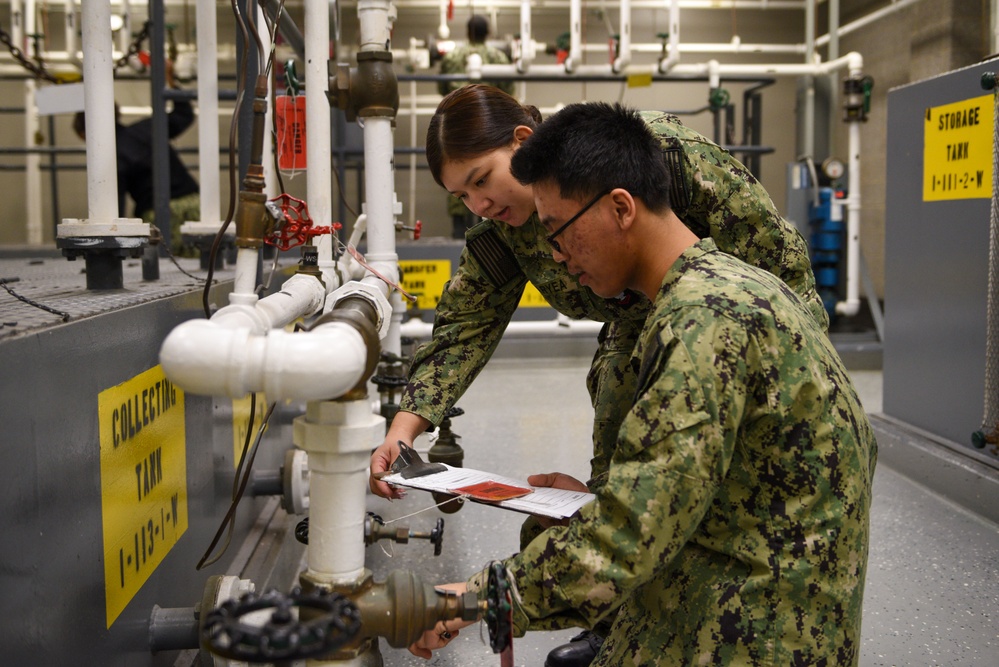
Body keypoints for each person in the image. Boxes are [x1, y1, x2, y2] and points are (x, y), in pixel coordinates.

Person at [370, 84, 828, 665]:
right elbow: (466, 322)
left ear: (521, 141)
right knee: (624, 467)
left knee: (714, 496)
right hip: (636, 332)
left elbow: (767, 246)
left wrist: (798, 369)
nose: (478, 206)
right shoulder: (504, 233)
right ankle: (621, 619)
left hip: (730, 323)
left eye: (481, 180)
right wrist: (405, 427)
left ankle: (697, 595)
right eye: (462, 196)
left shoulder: (649, 155)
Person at [72, 63, 199, 256]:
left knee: (167, 266)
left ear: (85, 134)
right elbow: (184, 115)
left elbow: (114, 207)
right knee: (202, 266)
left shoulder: (111, 158)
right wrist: (171, 80)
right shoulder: (148, 128)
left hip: (157, 213)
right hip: (193, 203)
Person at [437, 16, 515, 238]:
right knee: (484, 177)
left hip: (455, 129)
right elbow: (508, 94)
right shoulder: (498, 58)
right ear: (487, 32)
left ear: (467, 32)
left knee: (459, 180)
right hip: (491, 130)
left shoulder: (452, 57)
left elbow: (442, 88)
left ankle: (459, 232)